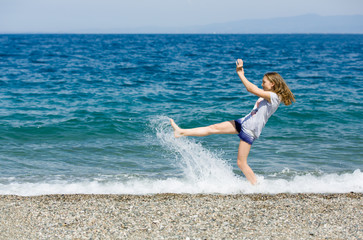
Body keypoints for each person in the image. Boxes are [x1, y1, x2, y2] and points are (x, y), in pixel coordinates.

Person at [169, 58, 295, 185]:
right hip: (244, 122)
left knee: (241, 163)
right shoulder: (267, 95)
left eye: (264, 82)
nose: (262, 84)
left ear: (272, 84)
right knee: (213, 128)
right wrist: (242, 73)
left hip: (250, 130)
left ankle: (256, 187)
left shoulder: (274, 97)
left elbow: (251, 89)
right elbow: (254, 88)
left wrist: (240, 74)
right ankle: (181, 132)